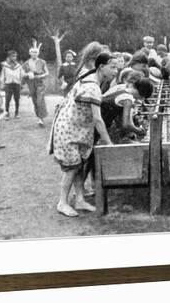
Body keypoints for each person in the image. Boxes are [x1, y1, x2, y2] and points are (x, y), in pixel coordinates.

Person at [48, 53, 118, 217]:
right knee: (71, 169)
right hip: (69, 131)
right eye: (113, 67)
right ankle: (62, 202)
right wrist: (109, 142)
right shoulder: (92, 87)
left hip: (77, 130)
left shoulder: (92, 80)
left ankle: (79, 199)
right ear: (101, 67)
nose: (116, 70)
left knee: (79, 166)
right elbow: (97, 120)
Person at [101, 77, 154, 143]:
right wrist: (138, 130)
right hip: (101, 122)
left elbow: (121, 120)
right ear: (143, 94)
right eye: (143, 97)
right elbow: (126, 124)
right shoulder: (128, 99)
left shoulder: (122, 90)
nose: (142, 100)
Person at [22, 42, 48, 126]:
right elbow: (22, 74)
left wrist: (41, 76)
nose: (34, 54)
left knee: (40, 100)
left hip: (40, 82)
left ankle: (41, 119)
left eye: (36, 52)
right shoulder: (26, 63)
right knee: (35, 101)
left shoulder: (42, 62)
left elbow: (47, 73)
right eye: (32, 52)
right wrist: (27, 75)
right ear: (29, 53)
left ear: (38, 53)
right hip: (31, 83)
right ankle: (39, 117)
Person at [1, 50, 24, 119]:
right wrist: (2, 83)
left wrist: (21, 83)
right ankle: (7, 113)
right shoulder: (5, 66)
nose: (14, 58)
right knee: (8, 99)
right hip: (8, 84)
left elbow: (21, 75)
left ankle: (16, 113)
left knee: (17, 99)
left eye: (15, 56)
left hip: (17, 84)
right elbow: (3, 75)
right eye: (12, 56)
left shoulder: (19, 66)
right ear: (9, 57)